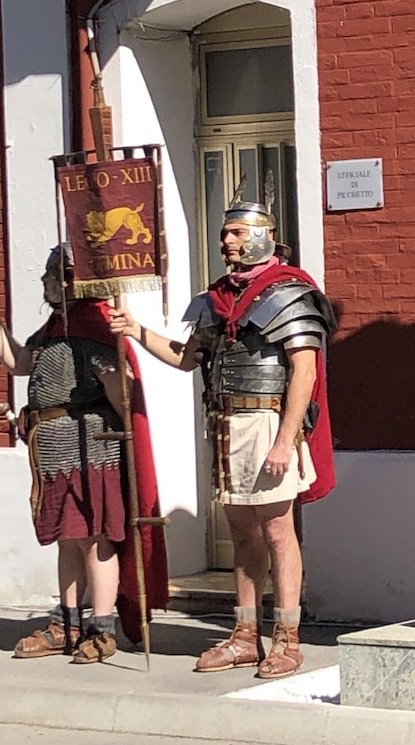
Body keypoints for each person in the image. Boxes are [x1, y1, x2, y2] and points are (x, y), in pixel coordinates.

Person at [111, 193, 335, 679]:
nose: (226, 242)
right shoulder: (218, 298)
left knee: (278, 531)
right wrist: (135, 330)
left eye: (236, 233)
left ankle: (288, 638)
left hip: (269, 423)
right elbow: (186, 357)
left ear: (263, 235)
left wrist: (284, 440)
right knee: (242, 534)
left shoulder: (290, 292)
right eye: (224, 234)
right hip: (226, 424)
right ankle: (245, 635)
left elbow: (303, 373)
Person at [0, 244, 167, 663]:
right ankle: (67, 623)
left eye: (61, 275)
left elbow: (122, 397)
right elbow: (19, 361)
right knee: (68, 540)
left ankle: (101, 627)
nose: (52, 282)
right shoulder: (55, 327)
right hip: (55, 449)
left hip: (93, 448)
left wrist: (121, 385)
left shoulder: (95, 325)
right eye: (50, 274)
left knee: (95, 540)